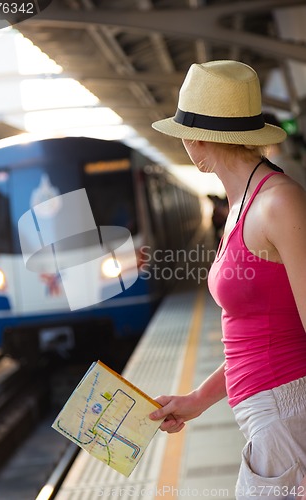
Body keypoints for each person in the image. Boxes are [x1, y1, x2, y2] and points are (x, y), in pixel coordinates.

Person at [149, 60, 306, 500]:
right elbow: (256, 332)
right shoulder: (243, 203)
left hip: (287, 412)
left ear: (198, 139)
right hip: (267, 414)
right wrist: (197, 399)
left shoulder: (279, 204)